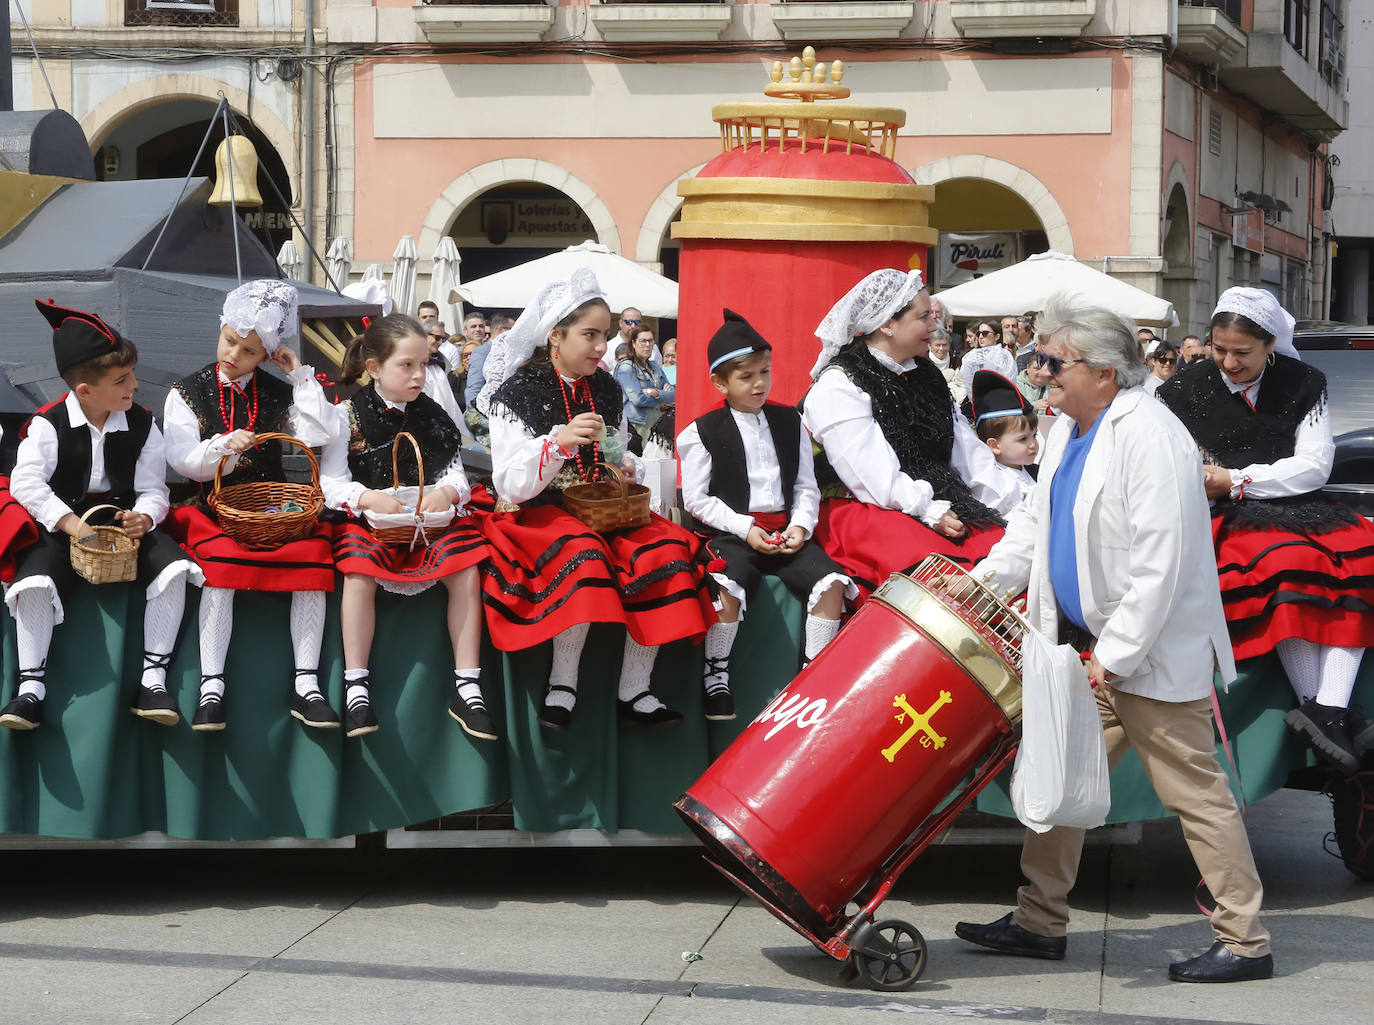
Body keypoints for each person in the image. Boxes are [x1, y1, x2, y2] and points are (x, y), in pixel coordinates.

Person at [955, 294, 1273, 985]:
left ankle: (1246, 939)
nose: (1041, 373)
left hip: (1141, 654)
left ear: (1103, 370)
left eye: (1053, 362)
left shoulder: (1150, 433)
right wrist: (980, 582)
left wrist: (1116, 655)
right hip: (1091, 651)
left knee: (1196, 792)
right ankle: (1040, 920)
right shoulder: (1073, 427)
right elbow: (1036, 527)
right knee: (1056, 780)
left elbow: (1163, 563)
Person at [477, 269, 714, 730]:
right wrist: (559, 443)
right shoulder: (517, 393)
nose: (601, 346)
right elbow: (509, 484)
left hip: (606, 505)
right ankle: (562, 683)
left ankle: (635, 687)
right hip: (538, 509)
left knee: (665, 548)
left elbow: (622, 449)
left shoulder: (605, 387)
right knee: (582, 554)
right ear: (555, 335)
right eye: (590, 335)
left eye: (604, 335)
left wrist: (629, 466)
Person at [1158, 288, 1374, 774]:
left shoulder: (1304, 381)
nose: (1228, 362)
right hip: (1225, 513)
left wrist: (1237, 479)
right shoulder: (1179, 390)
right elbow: (1172, 464)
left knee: (1364, 553)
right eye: (1219, 349)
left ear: (1271, 344)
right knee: (1284, 563)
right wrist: (1221, 485)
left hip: (1293, 501)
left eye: (1242, 352)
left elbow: (1315, 465)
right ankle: (1328, 710)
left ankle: (1325, 710)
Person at [0, 301, 202, 730]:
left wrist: (144, 518)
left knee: (176, 569)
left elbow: (153, 489)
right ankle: (30, 688)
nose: (133, 386)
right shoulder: (47, 425)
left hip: (121, 520)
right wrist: (71, 524)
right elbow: (26, 484)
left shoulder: (144, 423)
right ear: (85, 391)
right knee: (33, 582)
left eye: (130, 374)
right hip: (62, 524)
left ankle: (153, 680)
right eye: (121, 380)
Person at [162, 280, 341, 731]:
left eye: (248, 351)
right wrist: (224, 446)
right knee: (220, 573)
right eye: (229, 341)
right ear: (221, 327)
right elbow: (183, 459)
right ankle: (211, 685)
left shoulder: (278, 391)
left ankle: (307, 683)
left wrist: (299, 374)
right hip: (213, 509)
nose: (233, 355)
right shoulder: (186, 391)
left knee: (313, 561)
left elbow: (318, 433)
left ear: (266, 355)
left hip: (275, 511)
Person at [319, 314, 496, 741]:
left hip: (428, 521)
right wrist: (367, 498)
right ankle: (356, 686)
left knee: (466, 568)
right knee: (359, 572)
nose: (419, 374)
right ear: (374, 367)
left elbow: (456, 474)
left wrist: (449, 494)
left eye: (423, 364)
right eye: (407, 365)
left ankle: (467, 685)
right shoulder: (346, 416)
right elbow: (332, 482)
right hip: (373, 522)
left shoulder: (433, 414)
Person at [801, 269, 1020, 599]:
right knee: (946, 581)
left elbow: (968, 456)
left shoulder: (926, 374)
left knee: (1010, 556)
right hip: (867, 509)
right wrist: (929, 510)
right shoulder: (839, 385)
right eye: (923, 318)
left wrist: (1019, 504)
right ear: (887, 324)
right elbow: (871, 476)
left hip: (934, 502)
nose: (934, 327)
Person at [677, 310, 852, 720]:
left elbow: (805, 487)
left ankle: (814, 676)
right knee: (727, 583)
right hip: (734, 533)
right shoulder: (701, 432)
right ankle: (716, 672)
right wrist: (745, 527)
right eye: (746, 376)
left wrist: (800, 525)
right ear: (720, 383)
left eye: (765, 372)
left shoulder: (791, 421)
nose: (759, 383)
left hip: (787, 532)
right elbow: (697, 500)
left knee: (830, 583)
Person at [970, 370, 1037, 505]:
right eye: (1023, 439)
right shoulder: (995, 487)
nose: (1033, 444)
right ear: (994, 445)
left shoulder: (1036, 471)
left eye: (1034, 436)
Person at [616, 327, 675, 450]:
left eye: (650, 341)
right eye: (643, 341)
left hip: (657, 422)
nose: (647, 345)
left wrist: (655, 392)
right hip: (637, 424)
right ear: (633, 343)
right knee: (640, 461)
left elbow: (674, 395)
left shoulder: (654, 366)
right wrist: (661, 402)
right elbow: (638, 399)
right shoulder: (626, 368)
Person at [960, 320, 1018, 403]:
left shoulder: (1004, 355)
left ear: (997, 336)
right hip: (977, 403)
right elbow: (966, 382)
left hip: (1000, 402)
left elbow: (1008, 381)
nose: (980, 337)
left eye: (985, 333)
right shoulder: (969, 356)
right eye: (978, 333)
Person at [928, 328, 965, 404]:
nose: (941, 349)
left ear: (949, 345)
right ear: (930, 346)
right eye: (937, 345)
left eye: (944, 345)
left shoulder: (956, 361)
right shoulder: (923, 362)